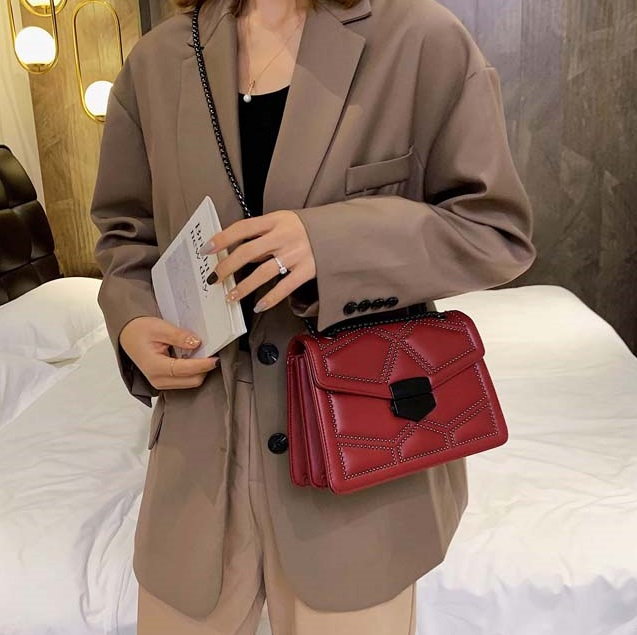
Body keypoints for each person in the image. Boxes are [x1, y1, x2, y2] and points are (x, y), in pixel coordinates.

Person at [89, 0, 536, 632]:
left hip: (361, 450)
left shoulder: (421, 40)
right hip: (199, 452)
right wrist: (133, 319)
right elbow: (125, 233)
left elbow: (494, 231)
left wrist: (330, 245)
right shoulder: (158, 61)